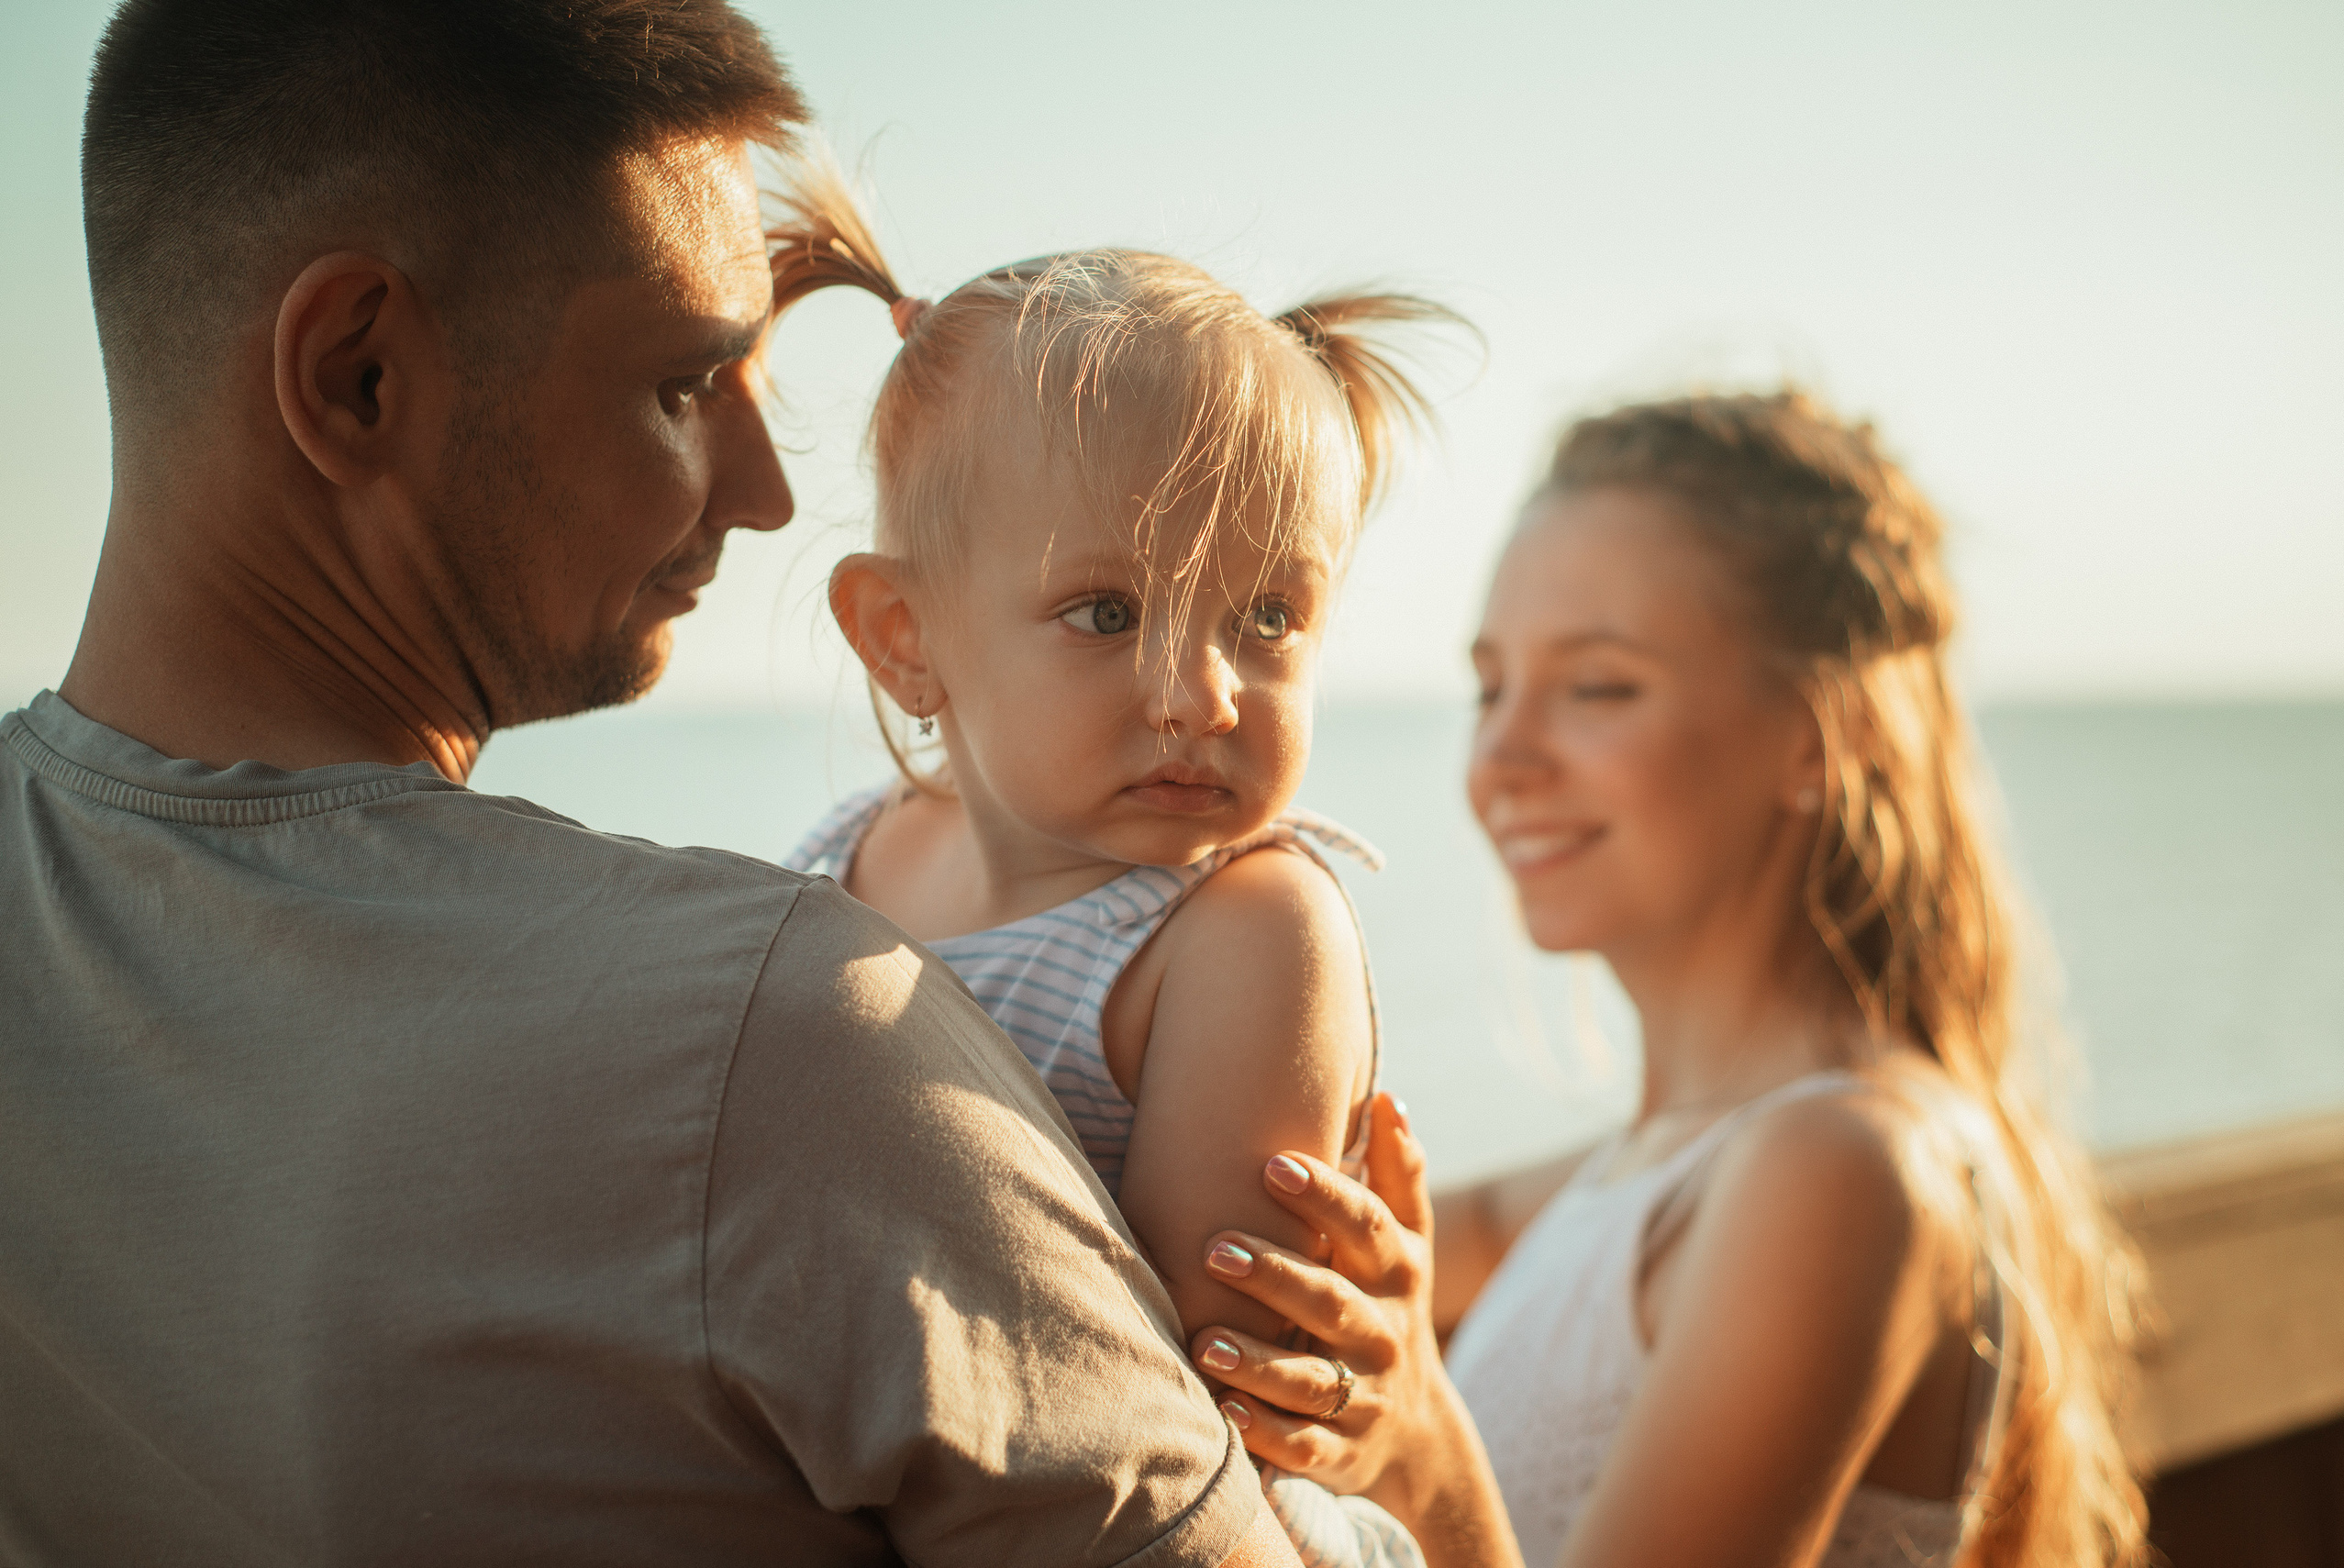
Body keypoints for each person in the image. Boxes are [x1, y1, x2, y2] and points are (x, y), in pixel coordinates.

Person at [0, 3, 1327, 1562]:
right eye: (692, 383)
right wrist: (1431, 1450)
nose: (767, 492)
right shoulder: (780, 1043)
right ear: (358, 374)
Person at [1198, 392, 2150, 1568]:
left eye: (1597, 686)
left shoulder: (1840, 1167)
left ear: (1817, 735)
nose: (1502, 757)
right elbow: (1286, 1234)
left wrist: (1415, 1450)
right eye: (1491, 686)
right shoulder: (1650, 1170)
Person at [760, 156, 1451, 1568]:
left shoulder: (1243, 927)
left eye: (1267, 615)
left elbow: (1185, 1388)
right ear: (904, 637)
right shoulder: (842, 862)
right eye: (1106, 610)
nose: (1201, 695)